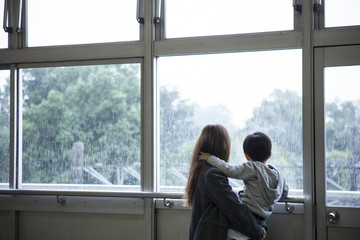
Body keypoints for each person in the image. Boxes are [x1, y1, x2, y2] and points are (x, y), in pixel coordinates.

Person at [199, 131, 289, 240]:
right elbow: (284, 193)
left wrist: (211, 158)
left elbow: (230, 170)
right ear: (270, 155)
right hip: (261, 218)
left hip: (247, 214)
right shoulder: (278, 174)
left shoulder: (251, 168)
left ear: (246, 156)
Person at [184, 124, 266, 240]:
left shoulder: (202, 172)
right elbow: (233, 208)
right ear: (223, 147)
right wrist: (258, 231)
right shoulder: (212, 175)